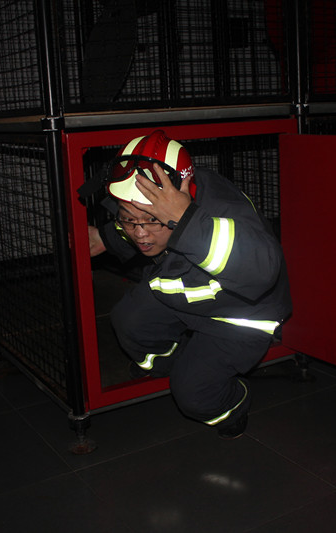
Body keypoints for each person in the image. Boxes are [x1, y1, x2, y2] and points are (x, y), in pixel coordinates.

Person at [85, 130, 292, 439]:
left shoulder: (222, 206)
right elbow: (134, 221)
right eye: (129, 218)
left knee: (194, 395)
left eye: (152, 220)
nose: (140, 233)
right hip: (185, 289)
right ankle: (170, 365)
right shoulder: (153, 202)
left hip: (239, 313)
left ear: (181, 204)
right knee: (128, 321)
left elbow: (261, 271)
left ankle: (231, 406)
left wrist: (187, 221)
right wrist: (104, 237)